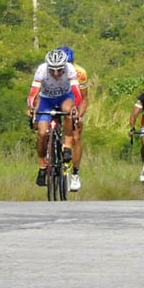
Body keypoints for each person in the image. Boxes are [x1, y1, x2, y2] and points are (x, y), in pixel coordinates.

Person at [27, 49, 82, 187]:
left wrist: (76, 106)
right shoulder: (41, 70)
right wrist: (31, 107)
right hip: (46, 100)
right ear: (47, 67)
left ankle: (67, 147)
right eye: (52, 70)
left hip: (64, 97)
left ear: (64, 66)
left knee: (68, 111)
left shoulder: (70, 69)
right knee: (41, 133)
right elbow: (33, 93)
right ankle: (42, 166)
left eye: (59, 70)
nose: (56, 73)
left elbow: (76, 92)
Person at [57, 46, 87, 191]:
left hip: (75, 102)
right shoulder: (52, 70)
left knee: (75, 137)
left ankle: (75, 173)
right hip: (56, 100)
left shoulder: (80, 73)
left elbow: (84, 98)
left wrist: (80, 116)